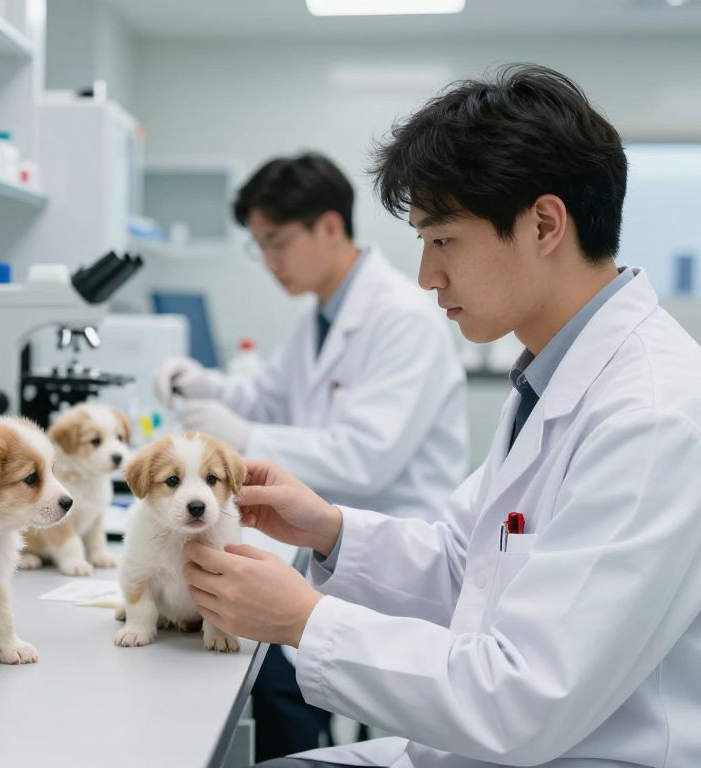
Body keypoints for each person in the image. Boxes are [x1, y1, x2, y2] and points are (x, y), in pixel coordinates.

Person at [182, 64, 701, 768]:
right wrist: (330, 532)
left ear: (544, 224)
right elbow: (470, 567)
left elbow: (524, 699)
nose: (427, 275)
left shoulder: (651, 416)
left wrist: (306, 620)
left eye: (443, 239)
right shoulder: (553, 375)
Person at [155, 152, 469, 760]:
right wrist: (205, 387)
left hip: (394, 550)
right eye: (259, 248)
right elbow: (269, 396)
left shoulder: (401, 318)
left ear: (328, 226)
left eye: (277, 243)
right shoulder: (320, 315)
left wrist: (245, 437)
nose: (270, 262)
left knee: (263, 667)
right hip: (324, 538)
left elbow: (365, 456)